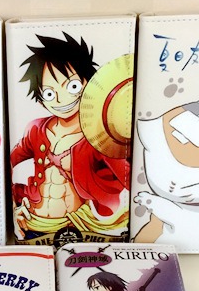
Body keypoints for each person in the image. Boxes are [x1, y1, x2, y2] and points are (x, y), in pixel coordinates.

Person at [10, 33, 129, 240]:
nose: (61, 99)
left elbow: (127, 176)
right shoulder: (35, 129)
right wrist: (13, 205)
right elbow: (4, 164)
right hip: (34, 223)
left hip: (79, 226)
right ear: (40, 98)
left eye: (73, 86)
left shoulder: (100, 135)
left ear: (89, 83)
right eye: (49, 93)